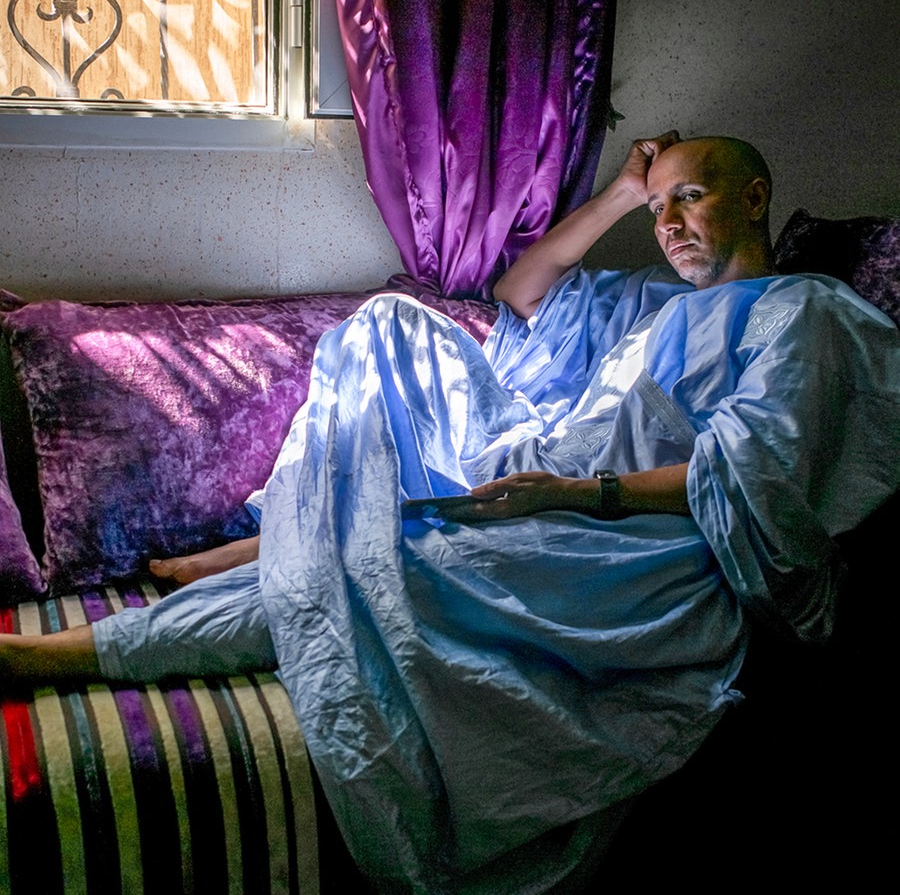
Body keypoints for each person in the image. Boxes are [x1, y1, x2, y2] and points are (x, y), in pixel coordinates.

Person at [2, 132, 897, 892]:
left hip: (633, 545)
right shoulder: (658, 305)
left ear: (754, 198)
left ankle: (62, 651)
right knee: (389, 326)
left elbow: (752, 473)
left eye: (688, 198)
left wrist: (575, 496)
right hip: (546, 476)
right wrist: (625, 190)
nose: (667, 226)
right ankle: (274, 538)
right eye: (658, 207)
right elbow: (524, 288)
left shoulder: (805, 313)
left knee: (386, 561)